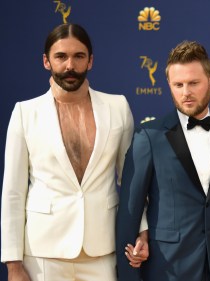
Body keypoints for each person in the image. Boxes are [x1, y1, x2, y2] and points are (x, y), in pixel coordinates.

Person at [0, 23, 134, 280]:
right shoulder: (25, 113)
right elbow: (13, 192)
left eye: (78, 56)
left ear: (90, 61)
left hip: (103, 250)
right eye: (61, 56)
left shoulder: (118, 107)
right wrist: (13, 264)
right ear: (46, 61)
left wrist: (141, 231)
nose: (70, 65)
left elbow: (130, 182)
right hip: (43, 254)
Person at [115, 40, 210, 281]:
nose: (186, 92)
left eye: (194, 83)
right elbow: (130, 212)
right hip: (167, 269)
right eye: (178, 84)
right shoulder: (149, 136)